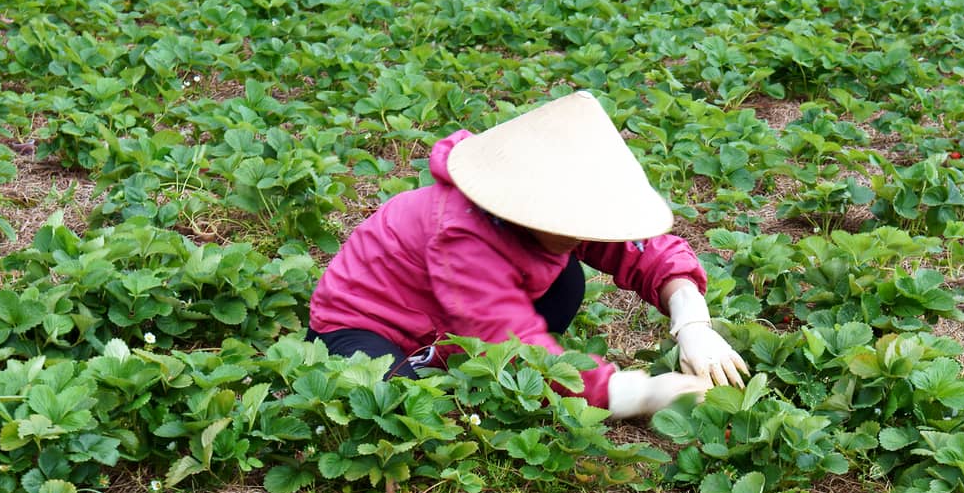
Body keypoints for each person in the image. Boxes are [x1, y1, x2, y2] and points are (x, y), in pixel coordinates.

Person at [308, 91, 748, 419]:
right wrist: (636, 394)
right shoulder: (463, 235)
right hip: (367, 324)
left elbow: (641, 247)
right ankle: (444, 374)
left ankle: (468, 371)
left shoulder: (559, 212)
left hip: (451, 319)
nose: (590, 231)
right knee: (393, 405)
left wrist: (690, 317)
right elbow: (505, 336)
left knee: (565, 280)